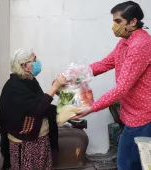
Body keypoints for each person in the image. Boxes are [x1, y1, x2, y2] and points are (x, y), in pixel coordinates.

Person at [73, 1, 151, 170]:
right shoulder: (125, 41)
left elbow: (122, 88)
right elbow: (106, 63)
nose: (113, 26)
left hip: (142, 118)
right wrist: (73, 75)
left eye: (118, 22)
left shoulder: (141, 45)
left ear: (133, 22)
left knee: (127, 164)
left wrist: (91, 108)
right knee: (133, 163)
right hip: (130, 114)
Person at [0, 48, 66, 170]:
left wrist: (57, 90)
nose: (37, 62)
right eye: (34, 60)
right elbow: (35, 110)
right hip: (24, 142)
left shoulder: (30, 81)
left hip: (40, 137)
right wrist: (54, 88)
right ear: (25, 66)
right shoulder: (14, 87)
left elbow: (39, 102)